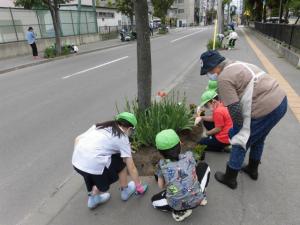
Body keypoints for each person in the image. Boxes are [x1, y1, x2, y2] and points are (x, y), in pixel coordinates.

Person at [199, 50, 287, 189]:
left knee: (240, 141)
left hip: (264, 108)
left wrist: (237, 131)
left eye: (208, 71)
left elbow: (234, 110)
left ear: (215, 67)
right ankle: (253, 169)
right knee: (259, 137)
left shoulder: (223, 78)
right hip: (280, 102)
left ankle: (230, 178)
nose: (209, 75)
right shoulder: (237, 64)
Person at [72, 112, 148, 209]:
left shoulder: (100, 126)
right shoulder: (122, 138)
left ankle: (92, 198)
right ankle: (124, 191)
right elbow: (131, 167)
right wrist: (139, 187)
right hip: (93, 163)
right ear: (129, 128)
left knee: (90, 173)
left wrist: (84, 158)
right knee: (121, 162)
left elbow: (77, 139)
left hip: (77, 162)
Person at [151, 129, 210, 222]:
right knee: (204, 166)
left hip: (177, 205)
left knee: (154, 201)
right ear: (180, 144)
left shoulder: (161, 165)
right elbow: (194, 172)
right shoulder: (189, 156)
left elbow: (160, 186)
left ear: (159, 151)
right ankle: (201, 198)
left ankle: (179, 212)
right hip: (197, 198)